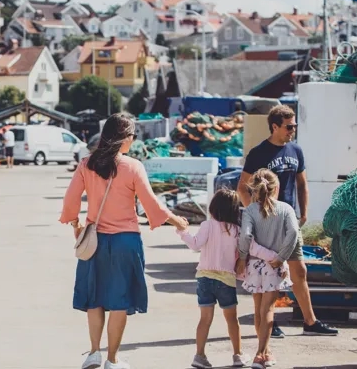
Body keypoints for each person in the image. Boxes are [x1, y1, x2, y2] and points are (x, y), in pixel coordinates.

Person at [60, 113, 189, 369]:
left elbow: (70, 199)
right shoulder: (132, 166)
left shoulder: (87, 164)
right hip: (125, 242)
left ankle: (94, 353)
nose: (133, 140)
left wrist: (76, 225)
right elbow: (151, 203)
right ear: (124, 138)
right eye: (132, 136)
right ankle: (112, 359)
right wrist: (177, 221)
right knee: (119, 301)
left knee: (95, 299)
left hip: (94, 242)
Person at [237, 105, 338, 338]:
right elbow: (242, 187)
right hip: (267, 224)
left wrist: (304, 213)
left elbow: (302, 184)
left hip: (288, 219)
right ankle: (267, 322)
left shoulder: (296, 150)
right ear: (275, 126)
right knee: (266, 273)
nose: (293, 130)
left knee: (299, 270)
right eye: (289, 127)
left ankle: (310, 322)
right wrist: (255, 211)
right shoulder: (258, 153)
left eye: (294, 126)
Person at [176, 189, 252, 368]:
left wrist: (183, 232)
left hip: (204, 278)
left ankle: (199, 355)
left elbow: (195, 245)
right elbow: (243, 251)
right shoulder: (236, 230)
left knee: (205, 319)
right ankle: (238, 355)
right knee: (232, 319)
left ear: (213, 207)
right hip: (226, 279)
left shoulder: (207, 225)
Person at [238, 169, 299, 368]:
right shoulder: (286, 209)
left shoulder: (249, 210)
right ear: (276, 188)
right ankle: (260, 354)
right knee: (268, 310)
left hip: (255, 265)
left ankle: (266, 352)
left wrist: (242, 257)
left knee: (258, 310)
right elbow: (294, 233)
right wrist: (281, 257)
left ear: (254, 189)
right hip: (274, 266)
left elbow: (246, 236)